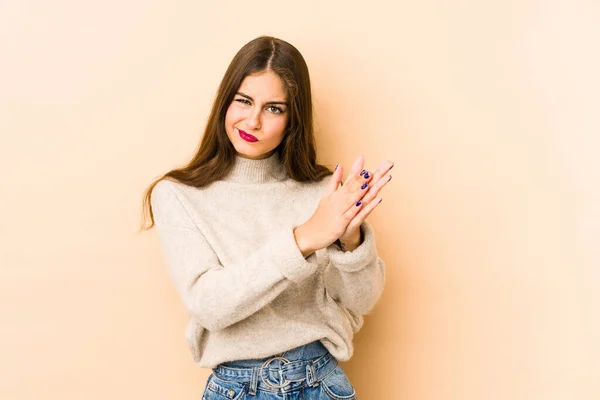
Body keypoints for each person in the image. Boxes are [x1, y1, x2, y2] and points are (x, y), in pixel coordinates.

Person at [141, 36, 393, 400]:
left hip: (321, 383)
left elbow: (360, 303)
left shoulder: (323, 191)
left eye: (274, 108)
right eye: (243, 101)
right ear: (225, 101)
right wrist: (303, 238)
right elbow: (209, 305)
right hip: (237, 388)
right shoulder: (179, 194)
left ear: (293, 119)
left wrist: (350, 241)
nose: (253, 121)